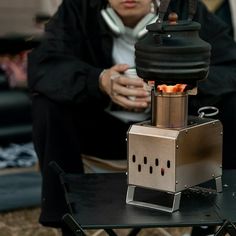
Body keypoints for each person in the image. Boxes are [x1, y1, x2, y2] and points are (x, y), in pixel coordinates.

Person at [27, 0, 236, 235]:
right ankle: (67, 219)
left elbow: (230, 68)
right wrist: (98, 81)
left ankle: (213, 220)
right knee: (47, 103)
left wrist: (176, 82)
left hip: (173, 137)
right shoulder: (79, 9)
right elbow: (43, 65)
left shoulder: (187, 8)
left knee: (231, 103)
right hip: (99, 135)